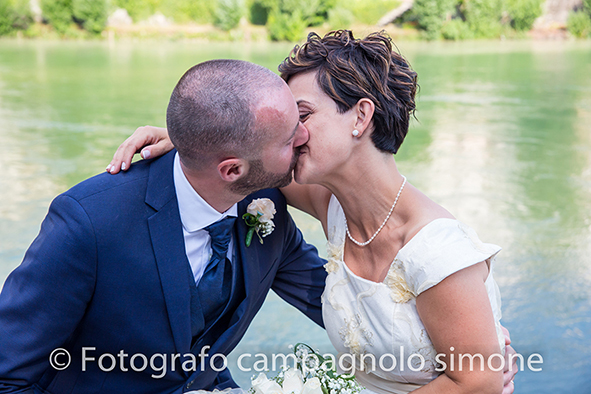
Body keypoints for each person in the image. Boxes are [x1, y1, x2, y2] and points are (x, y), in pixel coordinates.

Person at [108, 31, 518, 394]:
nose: (291, 133)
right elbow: (248, 159)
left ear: (361, 116)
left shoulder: (436, 250)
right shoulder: (333, 206)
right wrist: (190, 142)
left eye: (302, 116)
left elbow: (478, 383)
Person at [0, 60, 328, 393]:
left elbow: (334, 304)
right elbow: (7, 377)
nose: (304, 136)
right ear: (231, 170)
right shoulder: (88, 223)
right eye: (288, 140)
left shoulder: (265, 204)